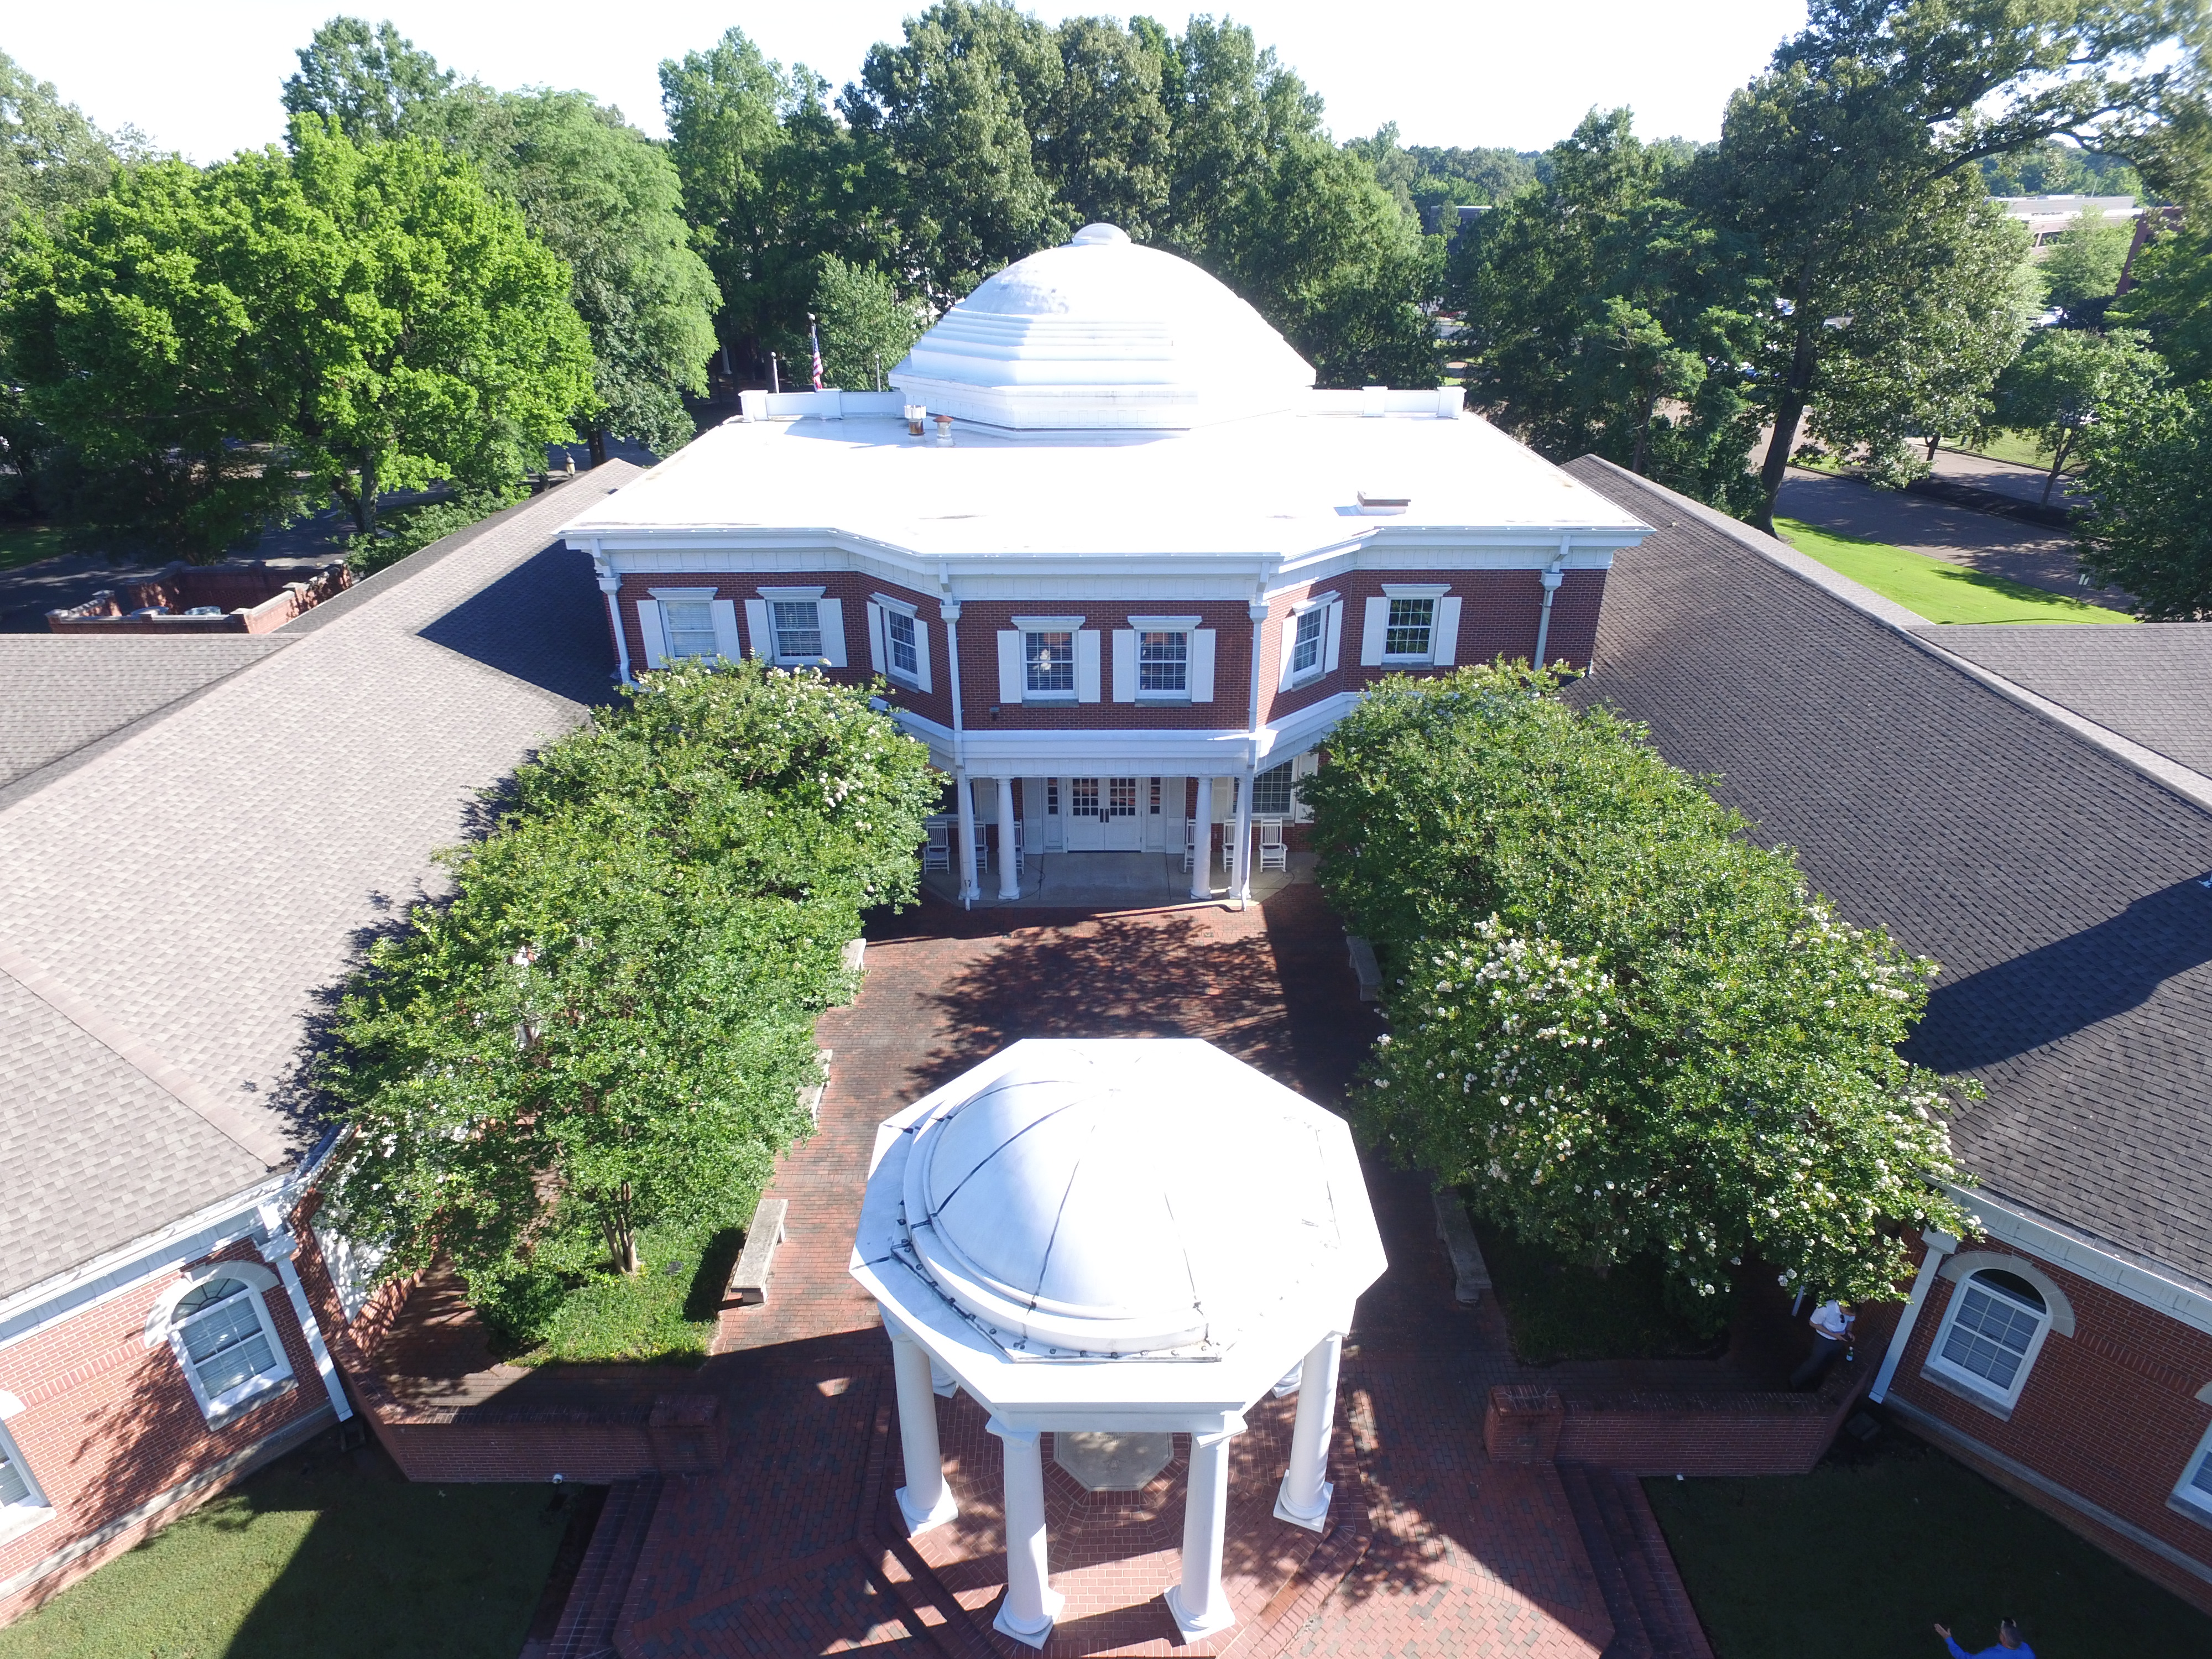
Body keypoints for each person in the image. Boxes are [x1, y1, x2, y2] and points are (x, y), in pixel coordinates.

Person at [1790, 1298, 1855, 1389]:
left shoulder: (1851, 1310)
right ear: (1844, 1308)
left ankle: (1815, 1378)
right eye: (1848, 1314)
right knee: (1814, 1362)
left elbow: (1851, 1321)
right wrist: (1834, 1335)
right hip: (1823, 1340)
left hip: (1839, 1340)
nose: (1849, 1316)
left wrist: (1849, 1332)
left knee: (1828, 1361)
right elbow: (1813, 1323)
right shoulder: (1826, 1308)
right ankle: (1794, 1382)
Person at [1935, 1617, 2033, 1657]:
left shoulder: (1991, 1655)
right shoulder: (2027, 1651)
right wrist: (2012, 1629)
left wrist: (1948, 1639)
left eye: (2001, 1632)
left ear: (2004, 1640)